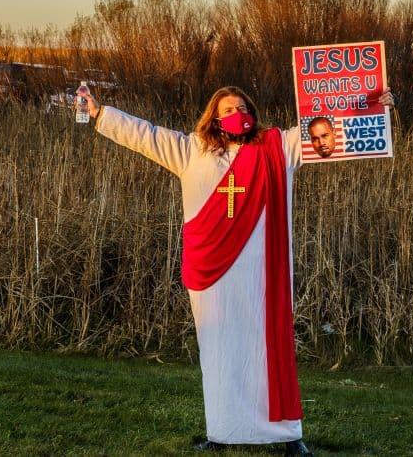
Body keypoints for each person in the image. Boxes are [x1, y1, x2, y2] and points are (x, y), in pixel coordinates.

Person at [77, 85, 393, 455]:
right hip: (213, 273)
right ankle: (222, 432)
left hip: (260, 269)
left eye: (242, 107)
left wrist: (372, 106)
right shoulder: (191, 150)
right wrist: (99, 113)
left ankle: (286, 435)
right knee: (220, 352)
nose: (236, 113)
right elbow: (145, 135)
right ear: (213, 116)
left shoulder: (276, 147)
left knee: (266, 347)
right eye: (228, 109)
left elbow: (322, 132)